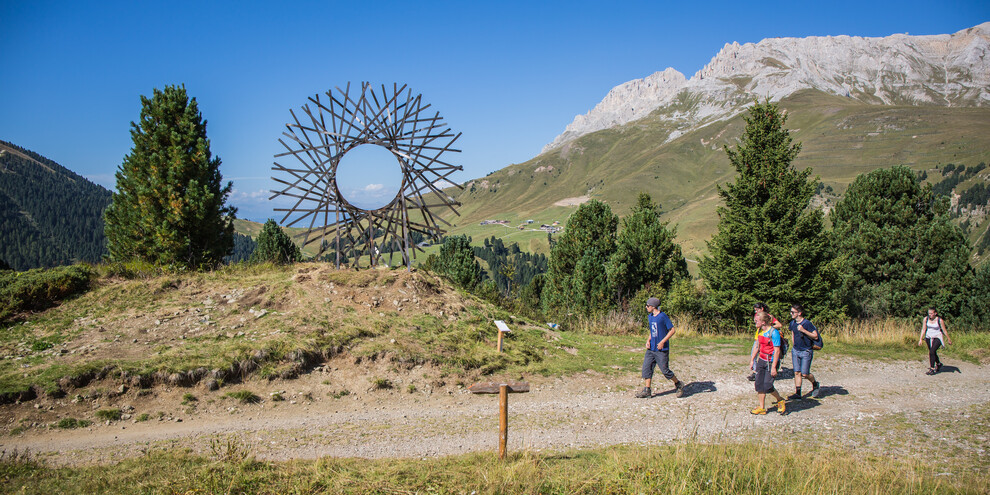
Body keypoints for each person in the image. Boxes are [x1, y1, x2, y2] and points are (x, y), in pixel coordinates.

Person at [635, 297, 685, 398]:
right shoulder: (650, 316)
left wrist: (662, 342)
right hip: (651, 348)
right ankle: (647, 390)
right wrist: (648, 340)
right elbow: (652, 330)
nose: (646, 307)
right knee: (646, 368)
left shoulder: (663, 316)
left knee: (665, 371)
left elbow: (672, 330)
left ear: (653, 306)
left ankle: (678, 384)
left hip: (661, 349)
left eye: (647, 306)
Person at [749, 313, 786, 415]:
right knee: (759, 384)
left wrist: (774, 367)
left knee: (768, 385)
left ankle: (780, 400)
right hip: (761, 360)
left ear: (763, 322)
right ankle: (762, 407)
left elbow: (777, 351)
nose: (755, 322)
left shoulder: (774, 333)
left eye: (757, 321)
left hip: (771, 361)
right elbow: (757, 346)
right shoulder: (760, 331)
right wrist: (752, 360)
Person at [787, 304, 821, 399]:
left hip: (806, 351)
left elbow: (815, 336)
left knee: (805, 373)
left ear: (799, 313)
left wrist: (803, 330)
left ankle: (815, 384)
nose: (791, 314)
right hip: (796, 350)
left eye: (793, 312)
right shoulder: (793, 323)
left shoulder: (807, 323)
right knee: (797, 372)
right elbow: (793, 333)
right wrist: (794, 345)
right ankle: (798, 393)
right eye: (791, 312)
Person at [748, 303, 783, 381]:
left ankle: (768, 371)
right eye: (755, 310)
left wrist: (769, 329)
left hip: (767, 338)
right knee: (754, 353)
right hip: (759, 337)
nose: (755, 311)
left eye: (757, 309)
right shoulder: (757, 316)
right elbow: (757, 326)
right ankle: (756, 372)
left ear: (762, 309)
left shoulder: (768, 316)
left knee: (766, 354)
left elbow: (779, 325)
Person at [918, 307, 952, 375]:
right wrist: (920, 339)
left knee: (932, 351)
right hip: (928, 337)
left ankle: (932, 368)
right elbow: (923, 329)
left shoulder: (939, 320)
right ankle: (939, 364)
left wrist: (948, 339)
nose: (930, 315)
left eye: (931, 313)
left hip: (937, 337)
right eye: (929, 313)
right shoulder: (926, 319)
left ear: (935, 313)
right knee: (932, 352)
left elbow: (944, 330)